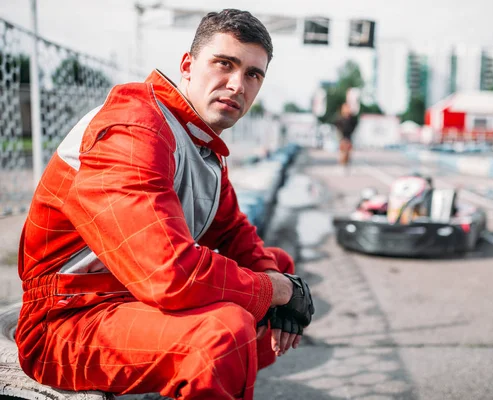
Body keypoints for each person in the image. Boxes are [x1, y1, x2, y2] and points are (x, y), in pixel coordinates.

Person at [15, 9, 314, 400]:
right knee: (225, 333)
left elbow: (234, 231)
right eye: (225, 64)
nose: (237, 84)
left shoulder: (201, 143)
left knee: (277, 265)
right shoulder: (134, 127)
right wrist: (274, 291)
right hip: (66, 319)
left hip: (129, 297)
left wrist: (276, 279)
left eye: (253, 74)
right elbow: (170, 273)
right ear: (188, 66)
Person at [334, 102, 359, 169]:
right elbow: (337, 128)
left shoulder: (352, 119)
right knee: (343, 151)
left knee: (348, 152)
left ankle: (346, 163)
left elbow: (354, 126)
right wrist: (341, 138)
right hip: (342, 137)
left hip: (349, 137)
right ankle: (342, 163)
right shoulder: (339, 118)